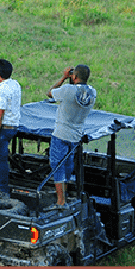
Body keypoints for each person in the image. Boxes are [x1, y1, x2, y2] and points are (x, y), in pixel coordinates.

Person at [46, 64, 97, 207]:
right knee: (67, 166)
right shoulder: (92, 92)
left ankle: (60, 201)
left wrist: (63, 77)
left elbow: (50, 93)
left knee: (57, 166)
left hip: (61, 134)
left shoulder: (67, 90)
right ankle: (65, 196)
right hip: (75, 135)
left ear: (74, 76)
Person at [0, 59, 21, 199]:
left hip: (4, 128)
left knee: (1, 159)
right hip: (14, 125)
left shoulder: (1, 90)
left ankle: (3, 189)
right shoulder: (16, 84)